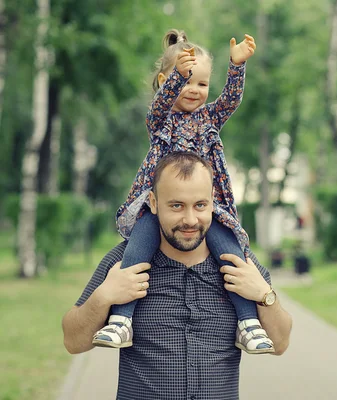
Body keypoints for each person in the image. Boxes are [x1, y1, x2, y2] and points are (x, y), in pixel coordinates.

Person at [91, 29, 274, 354]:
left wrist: (237, 67)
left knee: (232, 255)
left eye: (202, 83)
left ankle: (248, 323)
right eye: (187, 81)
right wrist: (179, 75)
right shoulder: (160, 120)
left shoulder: (210, 118)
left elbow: (231, 99)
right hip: (160, 206)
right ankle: (121, 321)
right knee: (137, 249)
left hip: (207, 207)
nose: (195, 90)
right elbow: (163, 100)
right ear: (166, 80)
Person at [62, 152, 293, 400]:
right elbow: (73, 342)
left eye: (200, 205)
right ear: (153, 203)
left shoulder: (242, 264)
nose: (190, 219)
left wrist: (264, 295)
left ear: (213, 203)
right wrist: (104, 297)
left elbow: (279, 344)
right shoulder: (123, 262)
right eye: (176, 205)